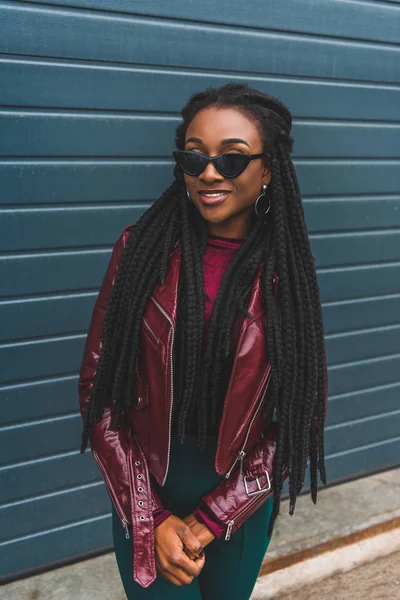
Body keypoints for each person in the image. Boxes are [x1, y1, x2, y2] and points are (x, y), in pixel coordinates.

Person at [78, 83, 328, 599]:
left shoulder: (287, 276)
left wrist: (217, 516)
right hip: (147, 491)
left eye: (232, 160)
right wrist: (152, 517)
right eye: (194, 158)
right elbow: (98, 393)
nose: (209, 173)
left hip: (238, 506)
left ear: (268, 169)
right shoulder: (139, 250)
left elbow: (298, 414)